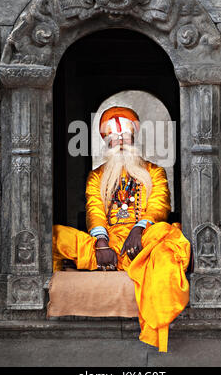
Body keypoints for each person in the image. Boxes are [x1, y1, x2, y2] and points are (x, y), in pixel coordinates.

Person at [52, 106, 191, 352]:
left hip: (144, 244)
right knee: (54, 236)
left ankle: (155, 316)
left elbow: (160, 205)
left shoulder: (154, 171)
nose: (119, 140)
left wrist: (139, 230)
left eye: (124, 135)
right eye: (113, 136)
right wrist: (102, 244)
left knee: (166, 243)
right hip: (106, 248)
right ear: (106, 142)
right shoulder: (97, 176)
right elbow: (94, 210)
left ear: (134, 137)